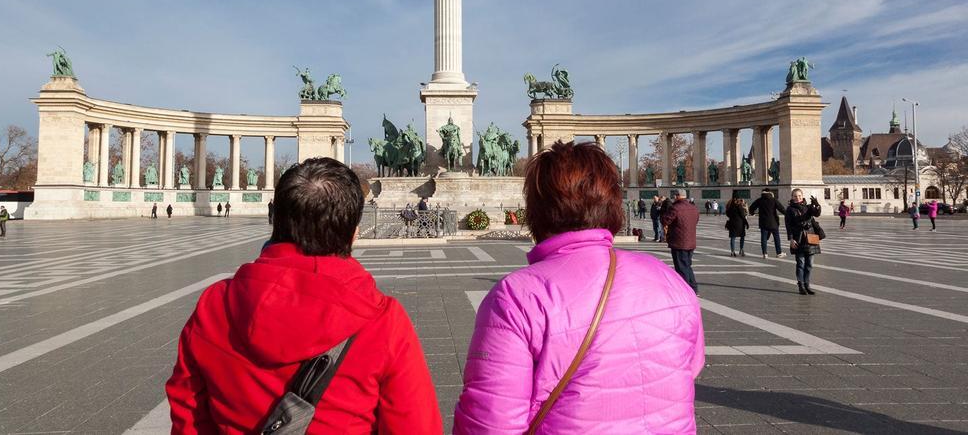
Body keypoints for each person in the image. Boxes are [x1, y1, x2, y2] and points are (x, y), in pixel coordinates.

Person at [166, 157, 442, 433]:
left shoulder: (214, 305)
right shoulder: (384, 321)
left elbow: (188, 417)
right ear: (354, 234)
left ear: (277, 222)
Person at [454, 142, 704, 433]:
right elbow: (689, 368)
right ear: (613, 204)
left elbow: (491, 424)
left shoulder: (516, 298)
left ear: (535, 211)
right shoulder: (671, 281)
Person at [661, 188, 700, 294]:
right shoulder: (693, 208)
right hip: (691, 241)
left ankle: (685, 290)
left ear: (678, 196)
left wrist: (664, 211)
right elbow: (696, 221)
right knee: (687, 265)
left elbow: (665, 220)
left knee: (681, 267)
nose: (674, 197)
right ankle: (693, 288)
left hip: (679, 241)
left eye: (675, 195)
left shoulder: (675, 208)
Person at [785, 189, 822, 295]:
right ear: (792, 197)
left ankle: (807, 284)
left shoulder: (808, 207)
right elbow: (788, 226)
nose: (798, 198)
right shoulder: (790, 209)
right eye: (795, 196)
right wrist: (791, 239)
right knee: (801, 263)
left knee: (809, 264)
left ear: (802, 196)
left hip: (810, 237)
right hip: (798, 238)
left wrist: (817, 205)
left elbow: (817, 213)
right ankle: (801, 285)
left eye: (799, 196)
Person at [749, 189, 787, 259]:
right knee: (776, 238)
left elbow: (751, 208)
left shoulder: (759, 200)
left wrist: (753, 213)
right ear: (770, 193)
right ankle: (779, 253)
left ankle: (764, 253)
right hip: (773, 222)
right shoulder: (773, 200)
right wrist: (787, 214)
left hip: (763, 222)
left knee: (763, 238)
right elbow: (781, 208)